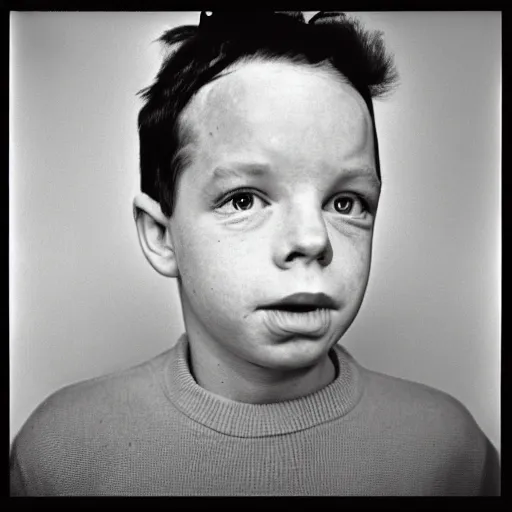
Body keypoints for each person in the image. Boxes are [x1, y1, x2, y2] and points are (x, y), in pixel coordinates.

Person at [10, 11, 500, 496]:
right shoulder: (60, 454)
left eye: (345, 203)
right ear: (162, 235)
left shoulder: (450, 453)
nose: (313, 240)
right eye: (244, 199)